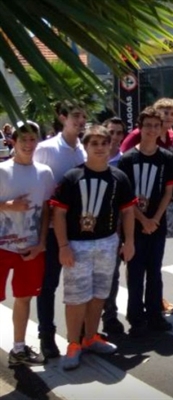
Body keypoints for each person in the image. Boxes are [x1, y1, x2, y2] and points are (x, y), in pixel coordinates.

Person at [51, 125, 136, 370]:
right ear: (85, 147)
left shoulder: (119, 177)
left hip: (108, 243)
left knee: (100, 294)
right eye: (94, 143)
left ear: (111, 146)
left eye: (104, 143)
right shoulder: (72, 177)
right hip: (77, 245)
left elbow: (128, 212)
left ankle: (91, 337)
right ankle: (73, 344)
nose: (100, 148)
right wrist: (63, 246)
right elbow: (58, 214)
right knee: (77, 297)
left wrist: (128, 242)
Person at [117, 107, 173, 336]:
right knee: (135, 272)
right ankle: (136, 319)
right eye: (148, 126)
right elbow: (124, 197)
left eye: (157, 126)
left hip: (157, 223)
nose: (152, 130)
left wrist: (154, 219)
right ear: (140, 128)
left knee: (155, 271)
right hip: (133, 224)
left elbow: (168, 192)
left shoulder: (167, 158)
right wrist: (142, 219)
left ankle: (155, 314)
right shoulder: (127, 159)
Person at [34, 101, 87, 359]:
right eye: (75, 116)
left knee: (80, 285)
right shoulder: (45, 149)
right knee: (48, 285)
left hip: (81, 231)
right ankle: (46, 335)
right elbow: (36, 191)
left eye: (83, 117)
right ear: (63, 117)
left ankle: (81, 335)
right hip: (52, 230)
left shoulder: (85, 151)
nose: (80, 121)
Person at [0, 121, 55, 367]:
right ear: (13, 141)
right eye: (23, 138)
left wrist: (42, 242)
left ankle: (19, 349)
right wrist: (6, 206)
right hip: (2, 247)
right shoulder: (2, 171)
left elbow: (45, 210)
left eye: (33, 139)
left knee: (24, 298)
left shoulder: (44, 172)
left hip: (30, 248)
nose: (28, 143)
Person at [98, 116, 127, 335]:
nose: (115, 137)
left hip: (115, 228)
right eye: (112, 132)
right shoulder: (87, 158)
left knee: (112, 276)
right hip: (87, 230)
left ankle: (109, 316)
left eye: (119, 133)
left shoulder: (124, 161)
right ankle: (83, 326)